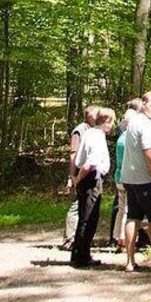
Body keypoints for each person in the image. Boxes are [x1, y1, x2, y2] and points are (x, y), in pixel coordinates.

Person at [121, 91, 151, 272]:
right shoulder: (146, 125)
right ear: (144, 103)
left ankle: (130, 261)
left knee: (133, 216)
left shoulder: (133, 122)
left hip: (130, 177)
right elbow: (149, 153)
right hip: (145, 179)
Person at [70, 107, 115, 267]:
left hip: (86, 178)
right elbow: (89, 164)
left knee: (85, 216)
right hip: (91, 179)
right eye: (112, 122)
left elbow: (78, 158)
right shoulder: (96, 136)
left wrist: (77, 177)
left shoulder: (89, 132)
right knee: (88, 218)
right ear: (107, 121)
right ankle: (81, 256)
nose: (112, 126)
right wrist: (78, 178)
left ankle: (79, 253)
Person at [62, 105, 99, 251]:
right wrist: (72, 176)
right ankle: (69, 239)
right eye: (95, 115)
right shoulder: (80, 130)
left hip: (88, 173)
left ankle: (80, 238)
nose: (97, 118)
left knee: (84, 206)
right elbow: (73, 154)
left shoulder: (93, 130)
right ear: (88, 115)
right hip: (79, 172)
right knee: (75, 206)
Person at [112, 99, 142, 249]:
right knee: (127, 210)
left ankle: (118, 236)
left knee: (122, 209)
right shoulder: (128, 140)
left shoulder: (121, 138)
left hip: (119, 178)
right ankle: (124, 238)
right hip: (127, 179)